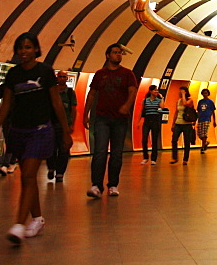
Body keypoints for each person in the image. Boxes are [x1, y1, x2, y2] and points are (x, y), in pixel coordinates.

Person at [0, 32, 73, 245]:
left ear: (36, 49)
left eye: (28, 47)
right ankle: (37, 218)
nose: (23, 51)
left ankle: (19, 223)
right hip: (18, 131)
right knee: (27, 178)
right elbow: (7, 103)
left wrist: (65, 132)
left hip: (40, 131)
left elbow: (56, 103)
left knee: (28, 175)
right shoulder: (13, 75)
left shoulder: (45, 72)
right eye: (20, 48)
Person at [82, 43, 138, 198]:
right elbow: (92, 94)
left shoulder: (127, 74)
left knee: (116, 153)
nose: (118, 55)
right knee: (99, 152)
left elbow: (133, 91)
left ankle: (113, 185)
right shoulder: (100, 74)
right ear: (107, 55)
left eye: (120, 53)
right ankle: (96, 186)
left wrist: (127, 105)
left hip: (120, 120)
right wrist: (85, 114)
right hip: (102, 118)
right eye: (115, 52)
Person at [46, 71, 77, 183]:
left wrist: (72, 124)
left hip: (64, 126)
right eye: (60, 77)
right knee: (51, 148)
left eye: (64, 77)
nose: (62, 79)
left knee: (64, 149)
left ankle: (60, 173)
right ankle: (51, 167)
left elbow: (73, 109)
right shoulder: (52, 92)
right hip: (51, 124)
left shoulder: (69, 93)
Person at [170, 86, 196, 165]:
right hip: (178, 123)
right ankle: (174, 157)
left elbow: (185, 104)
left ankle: (185, 159)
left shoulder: (190, 101)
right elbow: (176, 112)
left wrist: (184, 95)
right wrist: (173, 123)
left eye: (181, 92)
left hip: (187, 124)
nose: (180, 93)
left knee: (186, 141)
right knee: (174, 140)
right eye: (179, 92)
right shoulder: (178, 101)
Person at [139, 85, 164, 165]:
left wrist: (162, 98)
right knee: (144, 140)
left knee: (154, 140)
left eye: (157, 90)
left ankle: (154, 159)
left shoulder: (158, 100)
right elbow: (141, 111)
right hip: (147, 121)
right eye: (155, 90)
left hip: (155, 121)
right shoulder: (145, 100)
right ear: (150, 91)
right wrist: (138, 121)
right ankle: (145, 157)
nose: (156, 91)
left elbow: (162, 107)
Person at [196, 88, 217, 153]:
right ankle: (205, 142)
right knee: (199, 134)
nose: (205, 94)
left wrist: (214, 121)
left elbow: (213, 111)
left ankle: (202, 148)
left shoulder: (210, 102)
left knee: (204, 133)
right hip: (200, 119)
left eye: (206, 93)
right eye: (204, 93)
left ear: (208, 94)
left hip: (207, 119)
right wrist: (195, 120)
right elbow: (198, 111)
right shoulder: (200, 102)